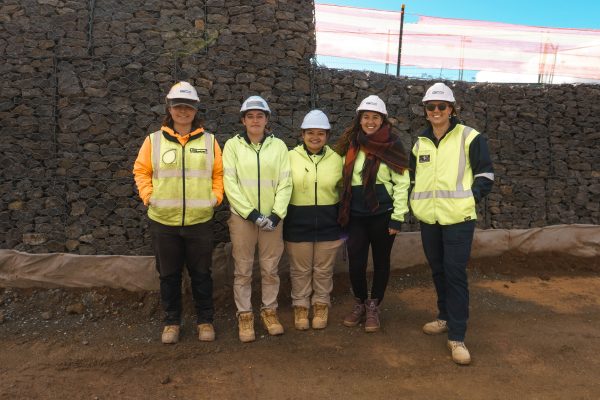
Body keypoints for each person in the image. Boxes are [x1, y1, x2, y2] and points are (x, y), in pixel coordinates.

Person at [133, 81, 224, 344]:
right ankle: (171, 323)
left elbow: (219, 174)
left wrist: (215, 198)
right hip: (163, 222)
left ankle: (205, 321)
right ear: (170, 109)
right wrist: (149, 196)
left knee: (202, 275)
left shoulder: (209, 141)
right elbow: (141, 171)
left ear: (195, 110)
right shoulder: (153, 141)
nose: (183, 111)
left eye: (188, 107)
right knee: (169, 276)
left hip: (199, 221)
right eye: (178, 106)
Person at [410, 82, 494, 365]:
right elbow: (413, 177)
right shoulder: (420, 143)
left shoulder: (470, 137)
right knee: (438, 270)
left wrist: (469, 199)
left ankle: (457, 336)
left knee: (455, 273)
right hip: (429, 219)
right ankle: (444, 317)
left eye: (441, 106)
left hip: (458, 219)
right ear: (425, 110)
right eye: (430, 106)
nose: (436, 111)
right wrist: (415, 202)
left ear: (451, 109)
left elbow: (485, 176)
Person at [335, 95, 410, 333]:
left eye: (375, 117)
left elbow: (402, 183)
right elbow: (339, 177)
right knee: (356, 263)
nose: (370, 121)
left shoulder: (392, 145)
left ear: (382, 120)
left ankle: (374, 305)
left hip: (382, 215)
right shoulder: (350, 145)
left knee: (381, 262)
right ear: (359, 119)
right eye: (366, 117)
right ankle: (360, 302)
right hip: (355, 216)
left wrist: (398, 217)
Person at [222, 95, 292, 343]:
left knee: (270, 269)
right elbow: (230, 183)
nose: (255, 120)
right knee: (243, 269)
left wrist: (276, 214)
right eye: (250, 116)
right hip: (243, 219)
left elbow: (285, 182)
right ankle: (245, 315)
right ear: (243, 120)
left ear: (266, 119)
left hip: (272, 219)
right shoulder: (232, 146)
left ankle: (269, 311)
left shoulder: (279, 146)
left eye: (259, 116)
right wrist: (251, 214)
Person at [284, 110, 343, 330]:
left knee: (323, 270)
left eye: (320, 133)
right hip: (297, 223)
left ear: (327, 136)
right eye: (310, 132)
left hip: (329, 224)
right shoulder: (289, 157)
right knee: (299, 270)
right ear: (302, 134)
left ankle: (321, 304)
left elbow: (344, 191)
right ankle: (300, 306)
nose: (315, 137)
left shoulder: (337, 160)